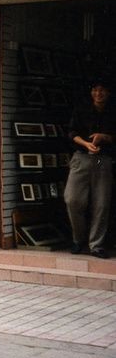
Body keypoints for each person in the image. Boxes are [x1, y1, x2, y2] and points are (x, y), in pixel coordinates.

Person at [64, 80, 114, 259]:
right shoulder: (81, 110)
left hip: (104, 160)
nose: (99, 93)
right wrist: (86, 143)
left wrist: (105, 137)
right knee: (72, 199)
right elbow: (71, 133)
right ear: (91, 92)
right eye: (95, 90)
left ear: (108, 93)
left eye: (102, 90)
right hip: (81, 158)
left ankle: (96, 245)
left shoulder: (112, 112)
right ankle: (78, 239)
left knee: (101, 204)